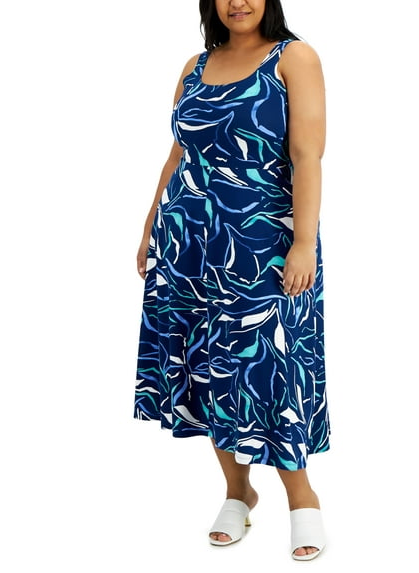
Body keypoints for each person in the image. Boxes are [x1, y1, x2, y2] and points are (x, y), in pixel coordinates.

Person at [134, 0, 330, 561]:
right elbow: (179, 153)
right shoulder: (195, 65)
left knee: (270, 367)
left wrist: (303, 242)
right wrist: (149, 226)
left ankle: (302, 498)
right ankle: (238, 490)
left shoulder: (293, 58)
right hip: (187, 242)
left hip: (262, 242)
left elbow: (307, 155)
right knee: (204, 366)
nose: (237, 1)